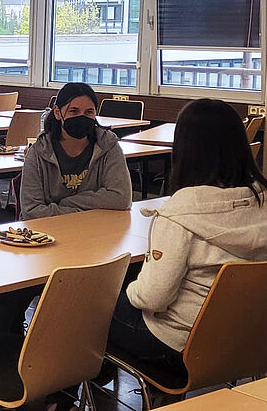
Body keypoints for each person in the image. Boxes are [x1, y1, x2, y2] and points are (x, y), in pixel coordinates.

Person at [106, 98, 267, 375]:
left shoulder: (180, 213)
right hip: (247, 341)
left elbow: (153, 299)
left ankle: (70, 391)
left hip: (179, 345)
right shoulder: (261, 200)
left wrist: (130, 289)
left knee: (89, 304)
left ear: (185, 149)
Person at [20, 82, 131, 219]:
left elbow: (121, 197)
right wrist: (81, 213)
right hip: (48, 230)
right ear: (57, 113)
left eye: (89, 112)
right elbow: (31, 210)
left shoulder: (108, 145)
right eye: (74, 111)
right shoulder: (38, 152)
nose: (82, 117)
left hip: (95, 228)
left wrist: (68, 203)